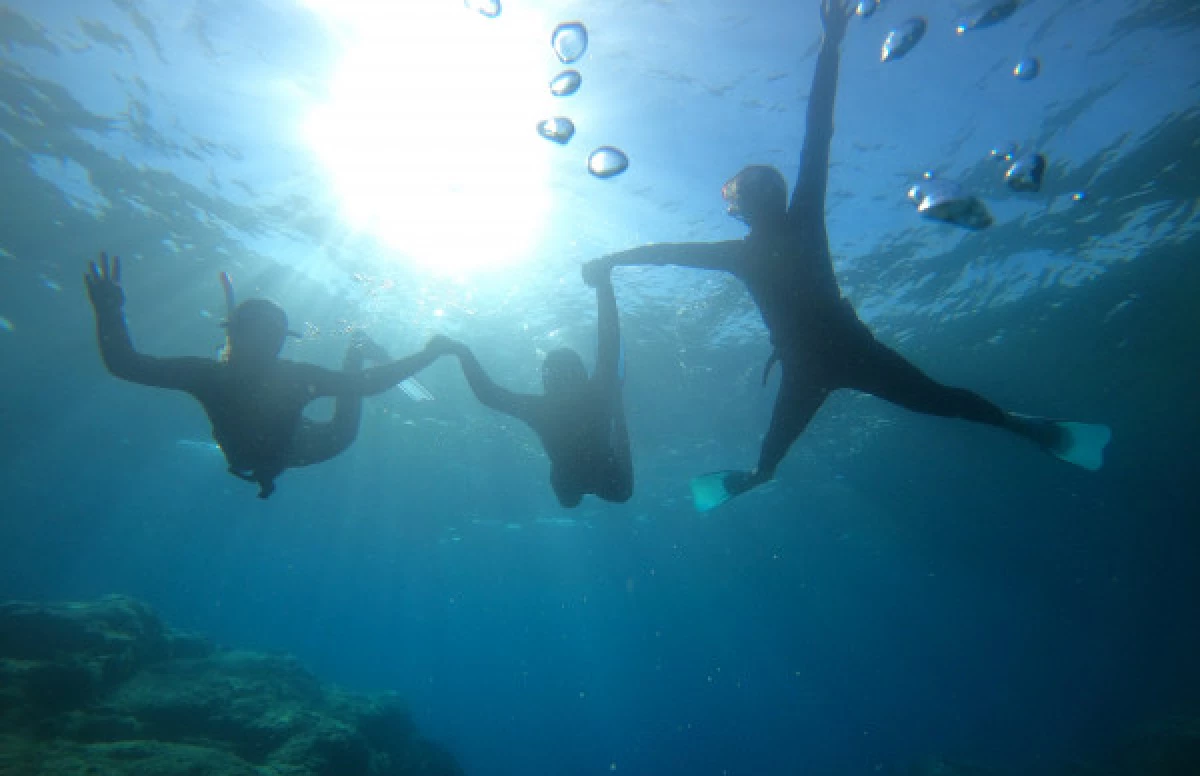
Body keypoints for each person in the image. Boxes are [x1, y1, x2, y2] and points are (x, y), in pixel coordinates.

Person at [582, 0, 1110, 511]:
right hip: (848, 352)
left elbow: (670, 252)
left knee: (779, 452)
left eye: (738, 194)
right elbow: (818, 134)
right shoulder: (799, 220)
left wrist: (612, 260)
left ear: (740, 208)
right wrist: (831, 44)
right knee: (938, 400)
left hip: (807, 367)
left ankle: (758, 475)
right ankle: (1020, 426)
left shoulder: (746, 249)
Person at [85, 252, 450, 499]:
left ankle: (355, 352)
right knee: (342, 430)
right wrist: (428, 353)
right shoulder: (220, 375)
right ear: (235, 335)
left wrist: (110, 311)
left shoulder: (211, 375)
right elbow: (125, 365)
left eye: (269, 336)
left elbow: (125, 364)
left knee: (340, 430)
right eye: (258, 334)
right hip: (291, 449)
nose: (262, 344)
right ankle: (354, 352)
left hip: (289, 447)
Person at [430, 270, 631, 508]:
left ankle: (618, 410)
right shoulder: (588, 394)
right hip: (589, 474)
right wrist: (603, 283)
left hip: (582, 476)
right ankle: (618, 409)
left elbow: (489, 395)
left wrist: (462, 352)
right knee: (600, 496)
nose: (561, 381)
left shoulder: (544, 408)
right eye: (557, 375)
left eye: (561, 375)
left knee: (599, 496)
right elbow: (609, 341)